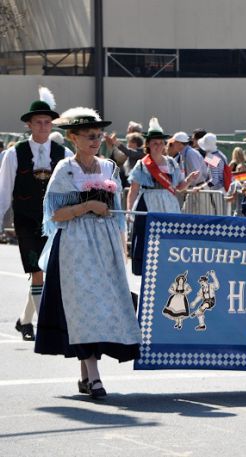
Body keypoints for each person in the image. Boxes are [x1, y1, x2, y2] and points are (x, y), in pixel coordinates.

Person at [34, 107, 141, 399]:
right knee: (84, 307)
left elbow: (117, 214)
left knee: (101, 307)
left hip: (104, 245)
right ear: (73, 138)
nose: (95, 140)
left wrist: (121, 248)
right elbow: (54, 215)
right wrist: (87, 207)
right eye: (89, 136)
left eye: (97, 135)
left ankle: (86, 376)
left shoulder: (109, 168)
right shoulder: (65, 169)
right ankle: (94, 377)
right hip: (75, 246)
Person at [0, 87, 73, 341]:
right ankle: (46, 327)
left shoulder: (64, 154)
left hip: (55, 221)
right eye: (38, 122)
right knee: (36, 270)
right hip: (26, 219)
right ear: (29, 125)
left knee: (49, 270)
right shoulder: (13, 153)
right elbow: (4, 190)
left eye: (47, 122)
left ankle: (25, 320)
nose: (43, 126)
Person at [127, 118, 199, 276]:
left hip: (168, 203)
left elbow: (179, 187)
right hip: (148, 202)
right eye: (154, 143)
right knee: (146, 235)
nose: (158, 146)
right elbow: (133, 190)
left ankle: (170, 266)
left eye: (161, 143)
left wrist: (189, 180)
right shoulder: (142, 165)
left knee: (169, 235)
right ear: (148, 145)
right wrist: (130, 210)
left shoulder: (172, 163)